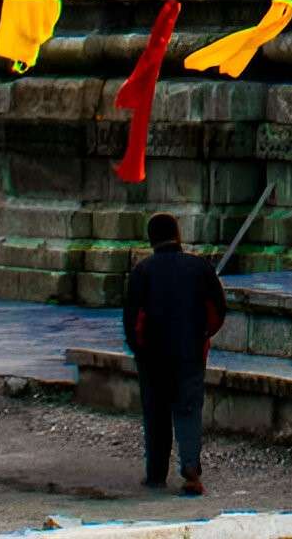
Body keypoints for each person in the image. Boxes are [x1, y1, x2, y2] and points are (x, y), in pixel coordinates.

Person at [121, 211, 229, 494]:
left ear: (151, 239)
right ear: (178, 235)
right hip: (190, 352)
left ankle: (156, 474)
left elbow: (132, 323)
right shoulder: (199, 267)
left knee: (155, 414)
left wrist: (140, 351)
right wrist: (204, 336)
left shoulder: (142, 272)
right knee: (189, 409)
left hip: (153, 356)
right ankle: (191, 470)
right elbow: (217, 310)